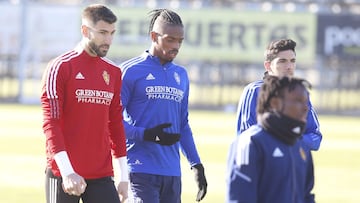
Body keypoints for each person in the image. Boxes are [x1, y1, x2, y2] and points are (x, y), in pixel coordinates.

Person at [41, 4, 128, 203]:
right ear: (85, 31)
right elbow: (51, 124)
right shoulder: (60, 67)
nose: (109, 40)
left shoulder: (113, 72)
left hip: (102, 174)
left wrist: (124, 176)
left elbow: (115, 125)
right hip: (64, 174)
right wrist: (67, 171)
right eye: (103, 33)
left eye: (112, 33)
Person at [120, 8, 207, 203]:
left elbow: (183, 125)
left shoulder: (182, 75)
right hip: (139, 169)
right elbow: (112, 122)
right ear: (154, 36)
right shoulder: (130, 71)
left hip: (172, 172)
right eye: (170, 40)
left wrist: (196, 165)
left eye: (180, 41)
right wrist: (146, 134)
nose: (176, 46)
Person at [226, 75, 316, 203]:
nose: (305, 107)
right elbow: (239, 198)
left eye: (305, 101)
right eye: (298, 101)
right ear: (275, 103)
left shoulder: (301, 146)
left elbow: (307, 196)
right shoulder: (249, 143)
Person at [235, 38, 322, 151]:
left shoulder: (300, 93)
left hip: (291, 165)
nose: (289, 66)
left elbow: (315, 139)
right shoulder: (254, 91)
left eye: (292, 61)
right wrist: (280, 139)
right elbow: (246, 136)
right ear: (268, 65)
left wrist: (290, 139)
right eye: (282, 61)